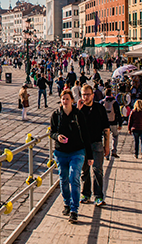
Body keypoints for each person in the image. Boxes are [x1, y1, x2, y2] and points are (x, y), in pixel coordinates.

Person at [50, 89, 93, 223]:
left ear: (72, 100)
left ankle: (74, 209)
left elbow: (86, 134)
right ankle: (66, 203)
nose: (65, 101)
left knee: (74, 177)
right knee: (63, 179)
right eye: (63, 99)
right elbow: (52, 132)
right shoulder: (56, 115)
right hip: (61, 152)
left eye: (67, 99)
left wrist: (90, 155)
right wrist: (58, 137)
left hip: (77, 152)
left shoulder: (78, 115)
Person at [78, 84, 110, 207]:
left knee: (98, 170)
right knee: (84, 171)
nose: (85, 97)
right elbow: (72, 125)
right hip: (82, 145)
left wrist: (107, 145)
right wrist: (79, 110)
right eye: (83, 95)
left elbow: (106, 129)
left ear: (92, 95)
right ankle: (85, 194)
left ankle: (98, 196)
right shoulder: (78, 109)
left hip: (97, 143)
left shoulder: (99, 108)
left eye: (87, 94)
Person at [101, 88, 122, 159]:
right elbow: (118, 113)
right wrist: (120, 123)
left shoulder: (102, 102)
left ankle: (106, 154)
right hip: (113, 122)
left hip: (104, 123)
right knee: (115, 136)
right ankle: (114, 151)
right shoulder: (115, 102)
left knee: (106, 138)